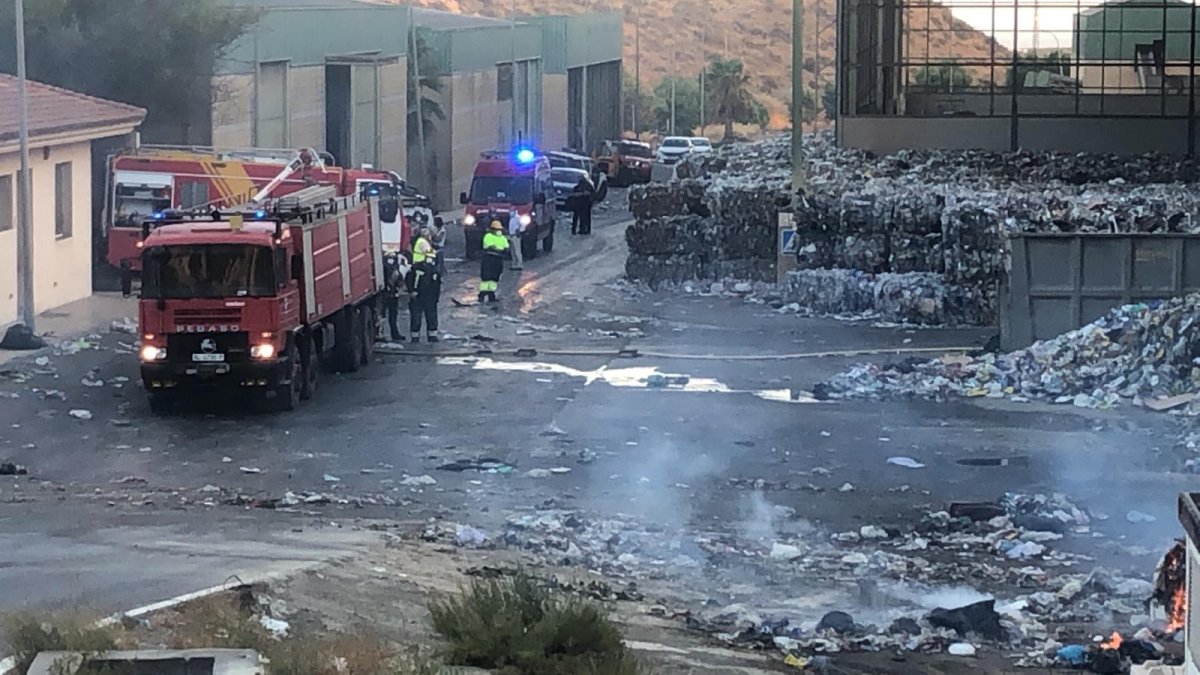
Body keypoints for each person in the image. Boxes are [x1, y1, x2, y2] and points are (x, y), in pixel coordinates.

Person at [406, 227, 441, 343]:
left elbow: (437, 285)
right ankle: (415, 337)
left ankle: (432, 335)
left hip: (429, 297)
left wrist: (436, 298)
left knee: (431, 316)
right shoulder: (417, 268)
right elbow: (410, 279)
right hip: (419, 295)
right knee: (416, 316)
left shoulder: (434, 271)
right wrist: (412, 291)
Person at [479, 220, 510, 303]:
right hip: (489, 259)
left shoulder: (503, 238)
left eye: (499, 229)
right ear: (492, 229)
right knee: (486, 277)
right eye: (496, 229)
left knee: (495, 277)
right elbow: (490, 246)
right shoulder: (488, 236)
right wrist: (500, 249)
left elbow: (507, 247)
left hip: (498, 260)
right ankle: (482, 294)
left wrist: (501, 249)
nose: (498, 231)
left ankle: (491, 294)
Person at [382, 252, 405, 342]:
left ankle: (394, 333)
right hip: (385, 295)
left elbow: (400, 281)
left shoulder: (395, 267)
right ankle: (384, 333)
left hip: (392, 294)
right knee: (384, 316)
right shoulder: (385, 268)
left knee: (393, 315)